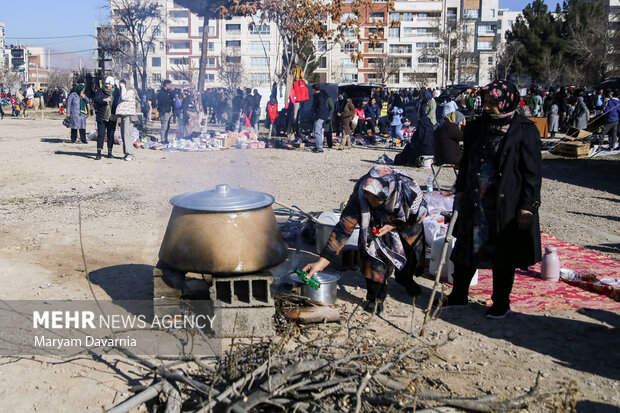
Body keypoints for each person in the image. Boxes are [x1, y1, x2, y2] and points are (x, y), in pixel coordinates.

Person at [445, 80, 542, 319]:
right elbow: (467, 161)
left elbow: (532, 172)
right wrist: (459, 190)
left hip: (505, 202)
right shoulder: (476, 127)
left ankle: (501, 302)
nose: (486, 107)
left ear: (506, 102)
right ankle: (459, 295)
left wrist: (527, 206)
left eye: (492, 103)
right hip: (475, 199)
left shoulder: (524, 130)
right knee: (465, 249)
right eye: (485, 102)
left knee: (503, 254)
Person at [303, 166, 428, 314]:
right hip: (374, 220)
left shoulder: (408, 191)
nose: (369, 199)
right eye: (367, 194)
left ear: (388, 194)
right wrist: (323, 261)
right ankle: (375, 298)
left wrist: (394, 224)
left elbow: (419, 215)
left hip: (405, 220)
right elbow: (345, 226)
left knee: (411, 254)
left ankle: (405, 278)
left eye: (375, 198)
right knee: (372, 256)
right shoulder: (362, 191)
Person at [93, 76, 120, 160]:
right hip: (102, 116)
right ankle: (99, 152)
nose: (107, 85)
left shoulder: (116, 92)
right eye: (106, 83)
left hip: (112, 116)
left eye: (109, 84)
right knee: (101, 134)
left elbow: (118, 102)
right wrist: (104, 100)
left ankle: (109, 152)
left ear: (112, 84)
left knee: (111, 134)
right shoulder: (101, 91)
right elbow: (96, 99)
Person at [115, 79, 137, 161]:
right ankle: (126, 153)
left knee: (127, 135)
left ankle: (130, 154)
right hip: (124, 116)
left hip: (129, 116)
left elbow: (124, 97)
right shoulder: (123, 91)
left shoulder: (130, 91)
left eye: (123, 84)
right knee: (123, 135)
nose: (121, 86)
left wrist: (123, 86)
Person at [311, 84, 328, 153]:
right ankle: (318, 146)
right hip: (321, 115)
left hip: (319, 116)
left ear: (314, 89)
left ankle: (320, 148)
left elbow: (320, 108)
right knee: (318, 132)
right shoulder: (321, 95)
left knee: (317, 132)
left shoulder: (319, 97)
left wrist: (317, 115)